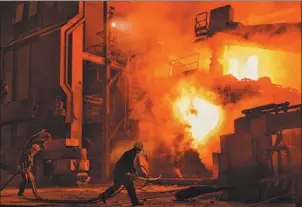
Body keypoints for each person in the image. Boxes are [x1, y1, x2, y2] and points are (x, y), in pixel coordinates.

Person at [99, 141, 144, 206]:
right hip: (120, 172)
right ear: (138, 149)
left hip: (122, 172)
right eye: (139, 150)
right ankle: (103, 196)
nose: (139, 151)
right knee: (118, 186)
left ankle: (135, 202)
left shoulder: (131, 153)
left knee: (128, 187)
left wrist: (134, 172)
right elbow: (129, 165)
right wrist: (133, 173)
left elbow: (130, 165)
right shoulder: (130, 154)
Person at [17, 129, 52, 197]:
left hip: (27, 164)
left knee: (29, 179)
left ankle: (20, 191)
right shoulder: (27, 150)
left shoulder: (33, 151)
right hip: (23, 163)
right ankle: (20, 192)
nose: (35, 151)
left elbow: (40, 149)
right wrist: (40, 133)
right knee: (25, 179)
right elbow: (32, 138)